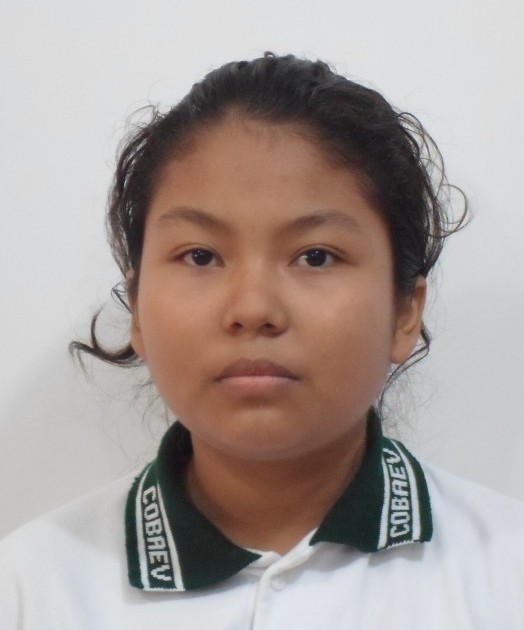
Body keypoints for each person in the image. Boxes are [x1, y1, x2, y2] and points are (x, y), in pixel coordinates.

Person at [1, 52, 523, 629]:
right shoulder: (29, 590)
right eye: (201, 256)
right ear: (138, 311)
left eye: (316, 256)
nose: (253, 310)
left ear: (404, 311)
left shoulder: (506, 577)